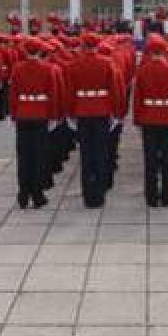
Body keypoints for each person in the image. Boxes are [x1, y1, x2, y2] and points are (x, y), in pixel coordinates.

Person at [64, 33, 121, 208]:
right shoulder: (107, 63)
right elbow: (114, 90)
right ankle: (100, 191)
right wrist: (116, 113)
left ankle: (88, 193)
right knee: (101, 152)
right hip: (102, 111)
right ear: (97, 45)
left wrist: (70, 113)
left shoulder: (74, 65)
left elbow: (70, 93)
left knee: (86, 154)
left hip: (82, 111)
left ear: (82, 46)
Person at [8, 39, 59, 208]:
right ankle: (37, 194)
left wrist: (14, 114)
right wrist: (53, 116)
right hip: (40, 114)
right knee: (38, 155)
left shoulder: (17, 69)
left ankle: (23, 194)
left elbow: (13, 94)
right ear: (39, 51)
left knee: (23, 156)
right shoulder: (48, 68)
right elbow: (52, 94)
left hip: (23, 113)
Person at [133, 35, 168, 207]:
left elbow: (137, 99)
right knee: (167, 158)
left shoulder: (142, 72)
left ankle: (151, 195)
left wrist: (137, 119)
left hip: (148, 117)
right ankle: (166, 194)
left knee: (150, 158)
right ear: (165, 51)